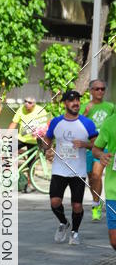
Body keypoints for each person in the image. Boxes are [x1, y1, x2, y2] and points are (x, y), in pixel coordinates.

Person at [42, 89, 97, 245]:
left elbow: (97, 144)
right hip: (59, 169)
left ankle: (75, 232)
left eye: (78, 100)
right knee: (54, 202)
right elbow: (47, 140)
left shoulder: (87, 123)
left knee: (77, 205)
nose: (76, 103)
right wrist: (45, 146)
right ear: (65, 103)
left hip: (77, 170)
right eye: (72, 100)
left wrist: (85, 144)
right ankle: (64, 222)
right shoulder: (56, 122)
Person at [83, 79, 115, 220]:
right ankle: (96, 202)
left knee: (97, 174)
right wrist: (85, 112)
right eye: (97, 89)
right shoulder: (85, 106)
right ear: (91, 91)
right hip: (91, 146)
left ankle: (98, 207)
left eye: (102, 89)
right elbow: (78, 123)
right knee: (92, 178)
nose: (100, 91)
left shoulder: (110, 106)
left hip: (106, 146)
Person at [92, 113, 116, 265]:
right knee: (114, 240)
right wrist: (101, 155)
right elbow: (96, 148)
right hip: (113, 189)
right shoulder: (110, 122)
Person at [9, 96, 49, 192]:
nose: (27, 104)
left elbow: (47, 124)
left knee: (31, 163)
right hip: (22, 138)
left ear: (34, 104)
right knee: (8, 153)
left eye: (30, 102)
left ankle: (29, 184)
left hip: (34, 141)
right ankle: (12, 176)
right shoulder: (21, 109)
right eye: (25, 101)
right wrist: (7, 136)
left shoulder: (41, 111)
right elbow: (14, 123)